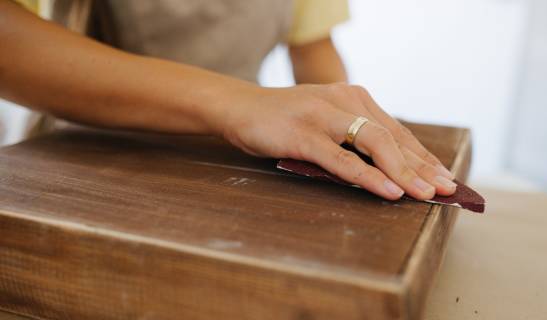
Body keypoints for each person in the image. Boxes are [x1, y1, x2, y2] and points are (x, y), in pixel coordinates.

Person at [0, 0, 457, 201]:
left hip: (238, 167)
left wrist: (346, 136)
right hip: (86, 163)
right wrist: (234, 103)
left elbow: (315, 50)